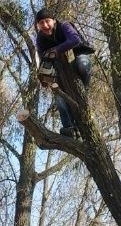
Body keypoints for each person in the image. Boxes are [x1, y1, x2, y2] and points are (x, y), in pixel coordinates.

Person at [34, 8, 93, 137]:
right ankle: (68, 127)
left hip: (78, 55)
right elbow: (42, 58)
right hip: (59, 67)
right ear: (38, 25)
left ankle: (84, 89)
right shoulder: (40, 39)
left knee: (83, 64)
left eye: (47, 21)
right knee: (59, 97)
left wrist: (56, 50)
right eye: (41, 23)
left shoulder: (64, 25)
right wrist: (43, 77)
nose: (45, 25)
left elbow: (74, 40)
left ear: (53, 20)